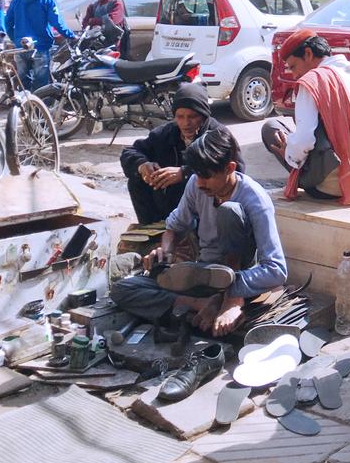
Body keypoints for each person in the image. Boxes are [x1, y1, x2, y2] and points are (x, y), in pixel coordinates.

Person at [110, 125, 288, 337]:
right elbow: (173, 226)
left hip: (239, 278)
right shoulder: (196, 183)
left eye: (207, 176)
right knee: (122, 289)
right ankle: (199, 304)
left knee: (229, 211)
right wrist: (165, 251)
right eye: (197, 175)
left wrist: (230, 291)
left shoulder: (255, 199)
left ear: (230, 168)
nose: (200, 183)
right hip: (203, 274)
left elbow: (277, 270)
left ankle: (227, 301)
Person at [262, 28, 350, 202]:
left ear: (308, 54)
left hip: (330, 189)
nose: (295, 75)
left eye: (294, 66)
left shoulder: (312, 81)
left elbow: (304, 142)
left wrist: (288, 152)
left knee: (271, 128)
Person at [120, 83, 241, 224]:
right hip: (170, 203)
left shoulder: (218, 134)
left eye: (192, 116)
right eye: (180, 117)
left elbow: (236, 172)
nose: (185, 123)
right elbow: (130, 152)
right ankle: (153, 230)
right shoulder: (167, 133)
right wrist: (142, 166)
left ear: (203, 116)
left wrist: (184, 173)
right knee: (136, 180)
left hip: (204, 205)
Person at [5, 0, 75, 90]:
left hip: (20, 47)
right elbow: (57, 23)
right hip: (40, 47)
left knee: (22, 86)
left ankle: (24, 109)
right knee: (41, 88)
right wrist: (72, 36)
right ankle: (39, 110)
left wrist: (15, 38)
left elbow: (8, 22)